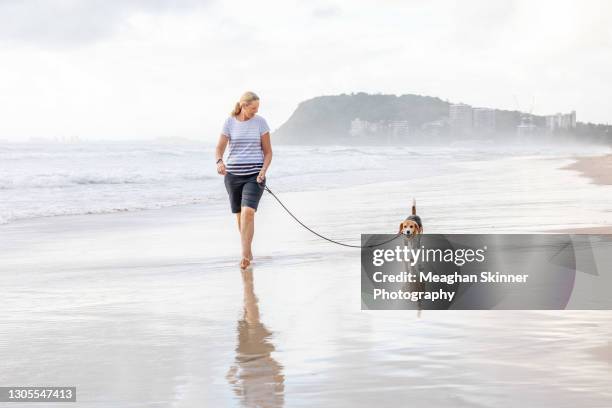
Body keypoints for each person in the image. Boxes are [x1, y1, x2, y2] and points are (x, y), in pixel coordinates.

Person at [215, 91, 273, 269]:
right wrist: (219, 162)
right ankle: (248, 250)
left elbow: (268, 152)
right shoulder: (229, 122)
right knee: (240, 217)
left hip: (255, 176)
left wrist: (263, 170)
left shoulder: (260, 122)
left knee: (248, 212)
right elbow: (219, 148)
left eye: (257, 108)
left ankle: (244, 255)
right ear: (243, 105)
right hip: (233, 177)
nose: (256, 111)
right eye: (253, 108)